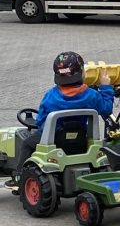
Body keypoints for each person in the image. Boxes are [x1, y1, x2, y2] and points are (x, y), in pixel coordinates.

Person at [11, 52, 114, 189]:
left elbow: (41, 121)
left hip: (55, 140)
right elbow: (106, 110)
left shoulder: (51, 96)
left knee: (26, 144)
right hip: (80, 140)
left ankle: (19, 176)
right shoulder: (91, 95)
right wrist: (106, 87)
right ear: (81, 73)